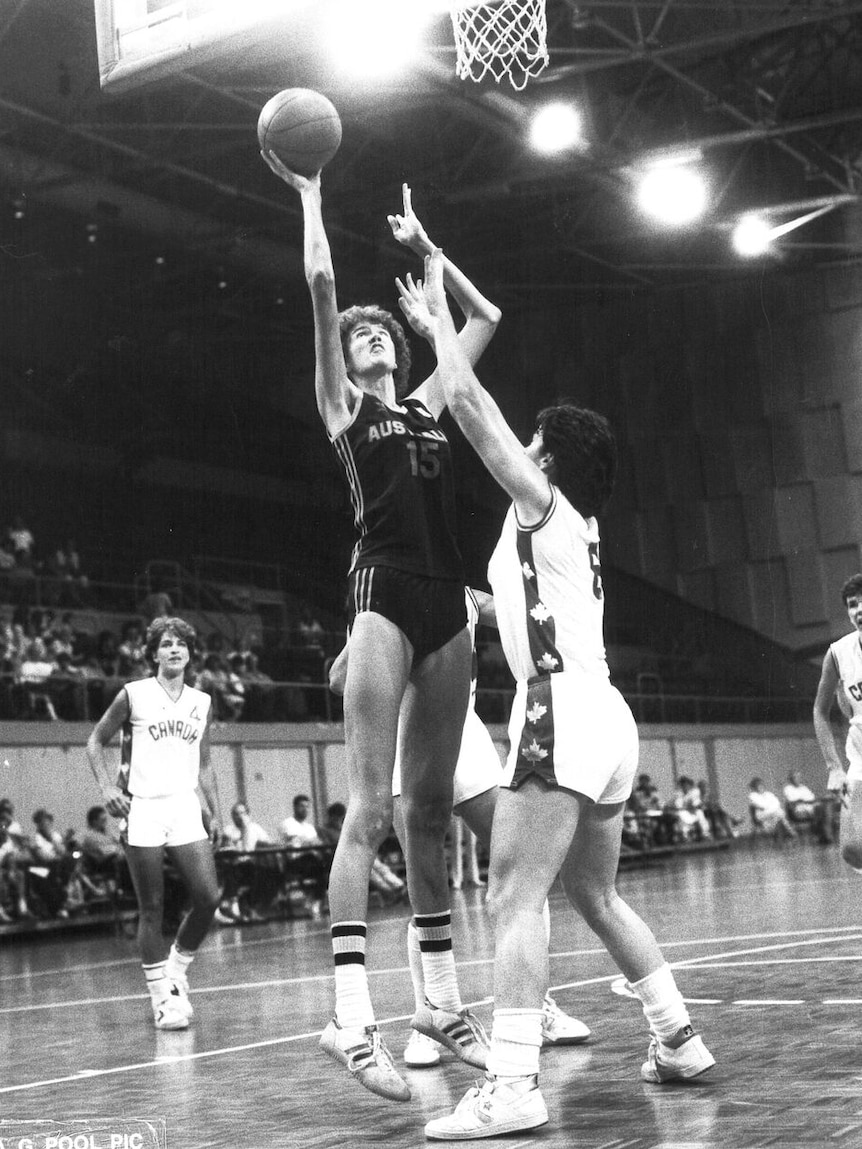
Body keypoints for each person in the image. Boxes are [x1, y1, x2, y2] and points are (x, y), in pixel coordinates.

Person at [397, 251, 713, 1138]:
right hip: (608, 717)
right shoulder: (579, 525)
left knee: (513, 898)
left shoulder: (540, 498)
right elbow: (539, 600)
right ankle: (677, 1037)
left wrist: (436, 328)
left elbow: (466, 406)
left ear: (548, 456)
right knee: (596, 897)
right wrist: (484, 603)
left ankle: (511, 1086)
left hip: (561, 708)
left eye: (535, 438)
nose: (523, 443)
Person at [262, 148, 501, 1102]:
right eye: (356, 336)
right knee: (367, 807)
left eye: (375, 335)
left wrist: (434, 256)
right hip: (382, 594)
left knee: (431, 814)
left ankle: (437, 1002)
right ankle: (350, 1017)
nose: (366, 338)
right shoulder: (344, 407)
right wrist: (313, 195)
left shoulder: (436, 401)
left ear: (398, 348)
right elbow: (323, 283)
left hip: (451, 602)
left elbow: (485, 320)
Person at [329, 587, 591, 1071]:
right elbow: (337, 678)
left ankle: (537, 1006)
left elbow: (524, 615)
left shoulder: (469, 597)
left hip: (464, 734)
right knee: (424, 880)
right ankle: (430, 1014)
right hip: (404, 734)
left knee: (523, 866)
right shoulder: (379, 602)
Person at [85, 615, 221, 1031]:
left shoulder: (202, 702)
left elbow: (206, 762)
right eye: (166, 644)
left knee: (208, 897)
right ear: (153, 653)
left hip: (183, 807)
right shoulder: (134, 694)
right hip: (141, 807)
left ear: (191, 652)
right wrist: (107, 788)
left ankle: (176, 972)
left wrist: (214, 809)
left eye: (181, 643)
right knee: (153, 907)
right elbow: (95, 741)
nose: (174, 649)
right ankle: (162, 999)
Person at [813, 572, 862, 869]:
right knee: (851, 849)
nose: (859, 610)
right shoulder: (839, 653)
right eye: (853, 604)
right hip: (860, 755)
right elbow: (820, 711)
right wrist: (834, 766)